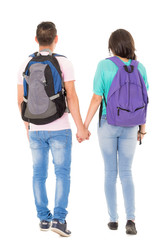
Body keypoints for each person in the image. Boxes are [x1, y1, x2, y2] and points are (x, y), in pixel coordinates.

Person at [17, 21, 90, 237]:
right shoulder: (64, 63)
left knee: (38, 174)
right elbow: (73, 98)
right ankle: (59, 220)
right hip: (60, 128)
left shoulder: (25, 63)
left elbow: (20, 100)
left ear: (36, 40)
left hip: (35, 129)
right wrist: (81, 128)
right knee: (62, 174)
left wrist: (27, 127)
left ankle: (43, 219)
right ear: (56, 39)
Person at [82, 29, 149, 235]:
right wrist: (142, 129)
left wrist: (84, 126)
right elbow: (145, 101)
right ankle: (131, 219)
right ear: (130, 44)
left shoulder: (104, 65)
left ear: (111, 46)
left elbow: (96, 99)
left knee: (110, 172)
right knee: (127, 172)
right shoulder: (140, 67)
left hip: (108, 123)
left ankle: (113, 219)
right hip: (131, 126)